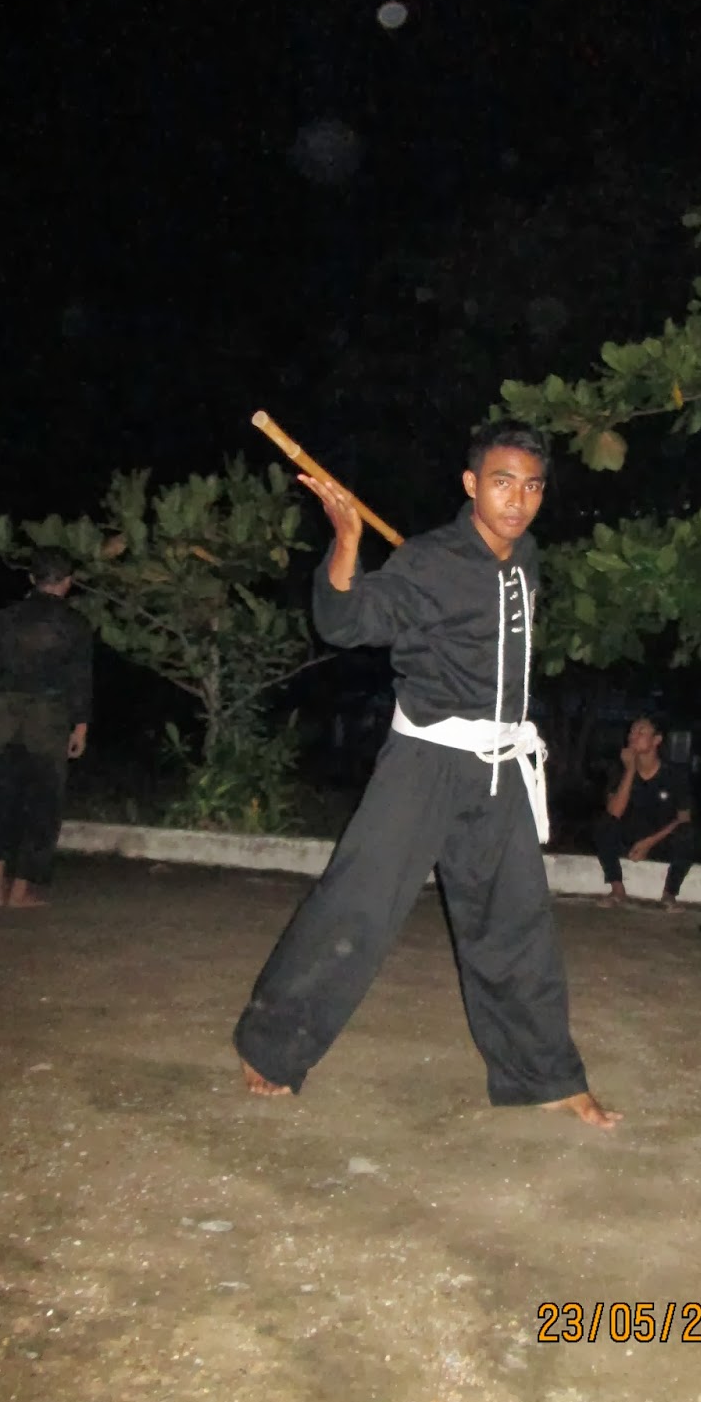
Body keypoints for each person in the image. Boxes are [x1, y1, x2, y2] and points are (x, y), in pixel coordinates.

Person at [233, 420, 621, 1130]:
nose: (518, 500)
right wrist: (346, 543)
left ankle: (543, 1075)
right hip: (426, 762)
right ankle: (273, 1045)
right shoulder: (427, 562)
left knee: (516, 923)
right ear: (471, 484)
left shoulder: (526, 556)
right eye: (502, 483)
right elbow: (348, 622)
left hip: (500, 768)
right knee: (358, 905)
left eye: (532, 486)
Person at [0, 547, 93, 908]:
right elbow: (79, 679)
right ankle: (21, 889)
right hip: (48, 715)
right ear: (68, 582)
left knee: (2, 796)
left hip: (6, 712)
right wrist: (81, 726)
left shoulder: (4, 618)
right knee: (43, 801)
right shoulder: (74, 623)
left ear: (31, 578)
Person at [593, 716, 693, 909]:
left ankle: (669, 894)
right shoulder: (619, 770)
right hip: (629, 838)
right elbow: (614, 812)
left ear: (656, 740)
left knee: (687, 833)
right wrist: (630, 769)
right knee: (603, 824)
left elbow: (683, 818)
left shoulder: (674, 774)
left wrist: (650, 842)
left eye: (641, 732)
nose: (633, 736)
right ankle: (617, 890)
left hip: (659, 840)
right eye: (631, 731)